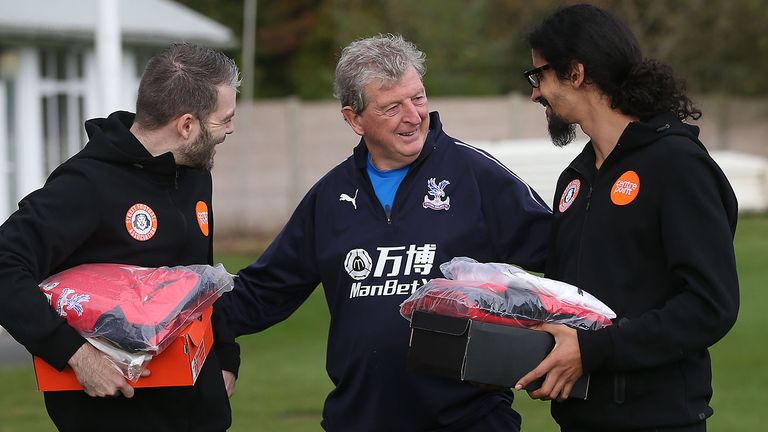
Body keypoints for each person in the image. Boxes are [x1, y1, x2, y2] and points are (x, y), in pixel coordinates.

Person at [217, 34, 551, 431]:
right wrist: (193, 327)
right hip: (361, 420)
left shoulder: (475, 175)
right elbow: (264, 291)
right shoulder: (330, 196)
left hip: (470, 420)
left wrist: (586, 339)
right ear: (353, 118)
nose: (413, 116)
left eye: (419, 98)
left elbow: (563, 253)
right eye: (392, 106)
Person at [514, 4, 740, 432]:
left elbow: (711, 306)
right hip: (580, 418)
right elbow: (574, 299)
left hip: (658, 420)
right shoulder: (575, 179)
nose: (535, 94)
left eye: (538, 75)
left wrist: (593, 350)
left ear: (575, 73)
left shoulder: (676, 164)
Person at [0, 43, 241, 432]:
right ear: (186, 125)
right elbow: (5, 265)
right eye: (223, 119)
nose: (229, 128)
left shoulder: (195, 174)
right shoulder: (85, 185)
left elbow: (202, 278)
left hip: (199, 412)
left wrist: (226, 356)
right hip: (114, 416)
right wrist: (75, 355)